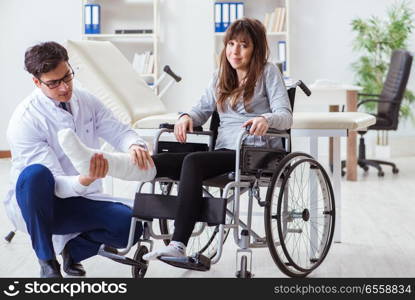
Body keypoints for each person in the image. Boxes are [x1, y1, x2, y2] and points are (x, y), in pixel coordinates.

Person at [142, 18, 293, 260]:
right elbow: (201, 110)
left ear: (256, 49)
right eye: (231, 43)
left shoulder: (268, 72)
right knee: (159, 160)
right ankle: (136, 223)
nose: (235, 50)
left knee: (192, 162)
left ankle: (178, 244)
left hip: (254, 151)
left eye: (243, 45)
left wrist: (265, 119)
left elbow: (285, 116)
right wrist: (185, 117)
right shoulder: (221, 75)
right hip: (225, 151)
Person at [4, 41, 156, 278]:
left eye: (67, 77)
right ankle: (47, 263)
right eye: (54, 83)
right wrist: (84, 178)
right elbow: (55, 183)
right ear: (37, 82)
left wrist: (134, 144)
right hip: (41, 203)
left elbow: (119, 130)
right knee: (35, 175)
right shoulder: (25, 120)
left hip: (81, 198)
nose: (64, 88)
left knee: (131, 225)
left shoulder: (86, 101)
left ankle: (72, 252)